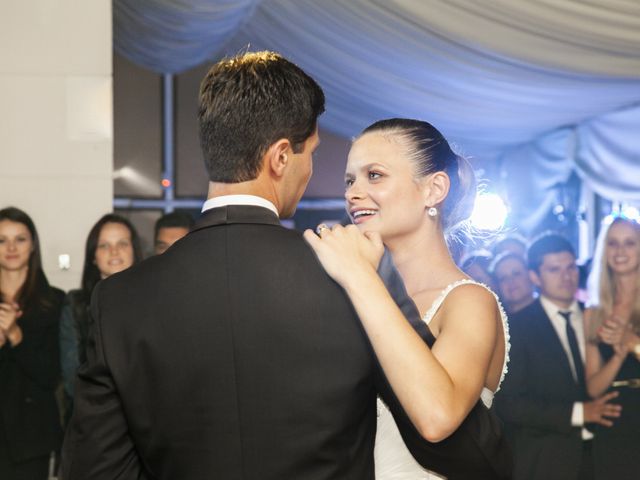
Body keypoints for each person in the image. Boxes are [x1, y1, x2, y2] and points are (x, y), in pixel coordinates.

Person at [61, 51, 428, 480]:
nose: (310, 169)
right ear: (280, 158)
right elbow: (452, 438)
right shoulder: (357, 275)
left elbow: (96, 470)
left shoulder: (119, 301)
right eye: (310, 151)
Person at [305, 118, 512, 479]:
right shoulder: (349, 290)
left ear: (434, 190)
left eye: (375, 175)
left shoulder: (468, 301)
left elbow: (436, 417)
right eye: (350, 180)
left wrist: (359, 277)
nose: (353, 194)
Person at [494, 232, 622, 480]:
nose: (567, 277)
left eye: (571, 267)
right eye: (554, 270)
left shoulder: (598, 317)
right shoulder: (516, 327)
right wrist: (578, 413)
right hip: (549, 460)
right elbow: (509, 403)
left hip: (609, 454)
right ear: (535, 277)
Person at [0, 207, 65, 480]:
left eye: (20, 239)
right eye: (2, 240)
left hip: (31, 438)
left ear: (33, 244)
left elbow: (52, 375)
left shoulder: (54, 302)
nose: (11, 247)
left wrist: (16, 337)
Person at [59, 214, 143, 411]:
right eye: (104, 245)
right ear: (93, 257)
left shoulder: (154, 301)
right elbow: (72, 378)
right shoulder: (75, 305)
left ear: (134, 251)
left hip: (145, 418)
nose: (114, 251)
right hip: (91, 417)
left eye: (122, 243)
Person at [584, 217, 640, 480]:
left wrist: (632, 342)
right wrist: (618, 356)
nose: (620, 251)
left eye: (629, 243)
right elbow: (593, 388)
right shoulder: (593, 313)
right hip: (613, 422)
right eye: (613, 243)